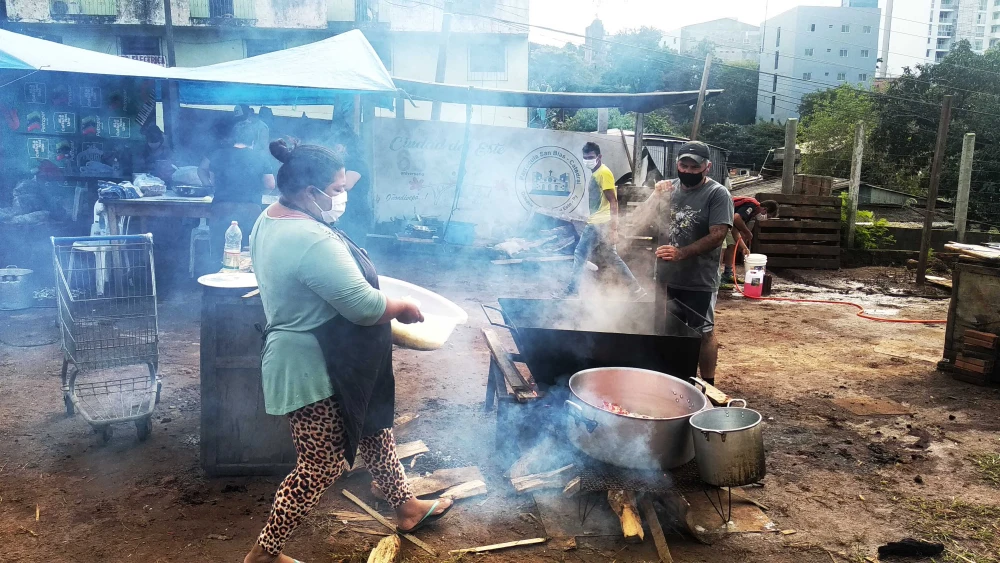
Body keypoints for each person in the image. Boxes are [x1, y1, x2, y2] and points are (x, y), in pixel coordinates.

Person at [244, 140, 452, 563]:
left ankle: (407, 507)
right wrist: (403, 307)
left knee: (375, 430)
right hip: (311, 367)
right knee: (320, 465)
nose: (343, 195)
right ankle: (264, 554)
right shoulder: (307, 237)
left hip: (340, 360)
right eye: (337, 188)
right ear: (308, 191)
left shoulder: (273, 218)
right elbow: (364, 307)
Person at [652, 141, 734, 385]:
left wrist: (681, 253)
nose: (687, 171)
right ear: (676, 164)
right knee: (666, 331)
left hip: (699, 279)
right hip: (666, 278)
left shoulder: (717, 194)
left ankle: (709, 385)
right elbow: (640, 219)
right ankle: (673, 381)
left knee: (703, 333)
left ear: (706, 167)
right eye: (683, 165)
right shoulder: (667, 189)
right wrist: (655, 195)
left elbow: (718, 234)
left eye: (693, 167)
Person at [565, 141, 646, 300]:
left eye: (591, 157)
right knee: (611, 256)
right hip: (601, 221)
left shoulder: (603, 173)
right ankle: (636, 290)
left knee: (580, 253)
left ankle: (572, 291)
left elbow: (613, 201)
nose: (588, 160)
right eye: (585, 157)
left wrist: (614, 228)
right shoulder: (596, 172)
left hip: (600, 222)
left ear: (599, 156)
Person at [199, 120, 276, 256]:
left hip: (221, 208)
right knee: (246, 253)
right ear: (253, 140)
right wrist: (257, 191)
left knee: (219, 251)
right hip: (250, 210)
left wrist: (209, 186)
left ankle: (216, 272)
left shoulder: (218, 154)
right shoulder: (260, 157)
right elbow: (270, 185)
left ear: (233, 137)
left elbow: (206, 173)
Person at [325, 128, 372, 242]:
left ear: (346, 146)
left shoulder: (356, 163)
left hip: (356, 214)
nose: (335, 149)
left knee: (353, 246)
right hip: (347, 213)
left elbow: (346, 185)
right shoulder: (345, 162)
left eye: (337, 146)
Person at [721, 197, 780, 285]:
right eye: (768, 216)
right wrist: (747, 232)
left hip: (726, 221)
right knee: (722, 247)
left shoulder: (750, 214)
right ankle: (715, 278)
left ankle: (728, 274)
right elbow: (736, 218)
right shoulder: (752, 205)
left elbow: (734, 230)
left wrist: (744, 248)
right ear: (765, 209)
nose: (765, 218)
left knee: (732, 245)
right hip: (719, 216)